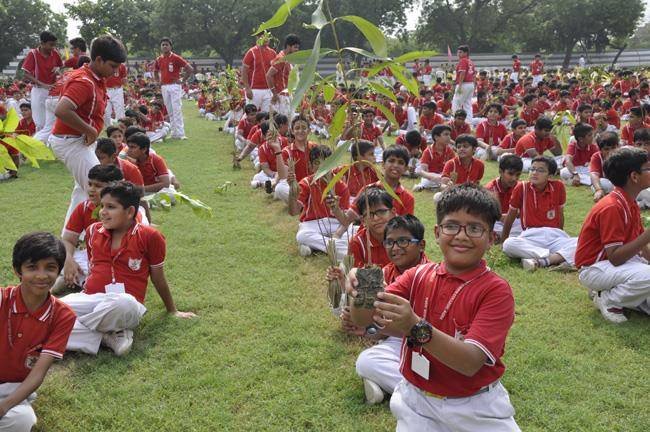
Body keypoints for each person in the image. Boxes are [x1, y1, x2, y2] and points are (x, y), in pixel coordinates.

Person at [348, 184, 520, 431]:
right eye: (452, 226)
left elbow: (470, 362)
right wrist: (362, 285)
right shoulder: (417, 275)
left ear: (491, 238)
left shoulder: (495, 290)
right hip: (417, 400)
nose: (461, 236)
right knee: (367, 361)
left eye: (474, 228)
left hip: (475, 406)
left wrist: (413, 326)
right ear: (438, 233)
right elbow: (364, 319)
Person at [61, 181, 196, 356]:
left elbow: (158, 277)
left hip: (125, 305)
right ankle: (106, 336)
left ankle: (73, 327)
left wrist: (172, 310)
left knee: (124, 303)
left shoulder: (150, 236)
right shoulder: (93, 231)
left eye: (111, 207)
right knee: (49, 309)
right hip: (90, 299)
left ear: (130, 212)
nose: (102, 212)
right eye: (102, 206)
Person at [0, 233, 76, 432]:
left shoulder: (63, 316)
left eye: (50, 268)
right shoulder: (2, 299)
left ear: (59, 270)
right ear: (18, 270)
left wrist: (3, 407)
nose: (41, 276)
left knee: (22, 420)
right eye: (32, 267)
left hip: (15, 390)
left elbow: (38, 373)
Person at [48, 35, 128, 225]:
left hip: (76, 141)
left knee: (82, 191)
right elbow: (62, 110)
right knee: (103, 191)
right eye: (113, 66)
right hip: (72, 143)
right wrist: (90, 131)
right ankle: (101, 236)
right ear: (99, 60)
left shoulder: (94, 77)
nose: (115, 71)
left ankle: (70, 236)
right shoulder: (85, 81)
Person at [353, 215, 429, 404]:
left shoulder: (431, 275)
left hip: (426, 340)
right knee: (365, 361)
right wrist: (361, 322)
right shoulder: (385, 273)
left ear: (421, 245)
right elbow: (373, 326)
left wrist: (372, 327)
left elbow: (422, 330)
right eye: (389, 242)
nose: (395, 248)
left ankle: (400, 390)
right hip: (396, 340)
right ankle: (420, 394)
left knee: (431, 368)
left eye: (403, 241)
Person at [575, 147, 650, 323]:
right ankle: (609, 300)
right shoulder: (612, 207)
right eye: (647, 168)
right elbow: (615, 257)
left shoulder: (628, 201)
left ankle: (609, 292)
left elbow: (641, 245)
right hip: (595, 268)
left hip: (617, 266)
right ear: (634, 176)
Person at [56, 164, 125, 293]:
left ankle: (80, 282)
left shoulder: (125, 211)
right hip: (92, 257)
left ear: (114, 188)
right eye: (90, 184)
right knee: (60, 256)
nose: (91, 190)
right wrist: (68, 261)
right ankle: (77, 279)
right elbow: (68, 240)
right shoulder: (84, 207)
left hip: (118, 260)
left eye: (98, 186)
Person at [502, 156, 577, 271]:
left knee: (582, 242)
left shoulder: (558, 187)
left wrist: (560, 234)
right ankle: (556, 258)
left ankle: (543, 260)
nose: (534, 173)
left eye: (540, 170)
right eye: (532, 169)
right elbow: (510, 216)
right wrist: (503, 240)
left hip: (555, 235)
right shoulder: (522, 187)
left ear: (550, 176)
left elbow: (560, 214)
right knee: (509, 244)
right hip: (531, 236)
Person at [287, 145, 351, 259]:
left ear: (333, 164)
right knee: (302, 235)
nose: (322, 167)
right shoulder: (307, 183)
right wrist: (292, 191)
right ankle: (336, 247)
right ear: (311, 166)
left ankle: (316, 246)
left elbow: (345, 221)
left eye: (326, 162)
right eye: (317, 163)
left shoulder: (341, 186)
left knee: (354, 231)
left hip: (335, 223)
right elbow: (293, 212)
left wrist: (336, 209)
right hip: (312, 224)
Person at [21, 31, 63, 131]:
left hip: (53, 91)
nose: (53, 47)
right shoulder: (33, 54)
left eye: (54, 45)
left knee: (53, 122)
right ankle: (40, 139)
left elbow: (61, 66)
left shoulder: (55, 53)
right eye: (51, 45)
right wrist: (43, 84)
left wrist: (58, 69)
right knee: (40, 123)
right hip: (39, 90)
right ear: (42, 43)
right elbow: (26, 74)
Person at [154, 37, 193, 140]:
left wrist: (182, 80)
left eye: (167, 44)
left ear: (170, 46)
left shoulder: (176, 58)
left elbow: (190, 69)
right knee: (170, 110)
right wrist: (157, 81)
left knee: (177, 109)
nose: (165, 46)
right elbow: (155, 71)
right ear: (160, 47)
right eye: (163, 45)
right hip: (164, 86)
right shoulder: (159, 59)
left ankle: (181, 133)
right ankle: (174, 133)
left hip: (174, 86)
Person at [347, 188, 395, 268]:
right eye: (369, 214)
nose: (376, 218)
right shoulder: (358, 243)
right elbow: (355, 273)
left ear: (393, 213)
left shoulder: (403, 238)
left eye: (381, 212)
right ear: (363, 221)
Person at [274, 116, 316, 203]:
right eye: (297, 128)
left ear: (309, 130)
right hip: (298, 189)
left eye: (304, 128)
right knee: (280, 188)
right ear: (292, 131)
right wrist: (277, 149)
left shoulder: (315, 148)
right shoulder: (287, 151)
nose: (300, 131)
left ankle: (305, 203)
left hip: (315, 187)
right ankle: (303, 203)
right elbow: (283, 176)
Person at [486, 154, 523, 239]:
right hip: (497, 222)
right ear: (500, 171)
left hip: (514, 221)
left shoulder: (521, 187)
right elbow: (494, 216)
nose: (514, 178)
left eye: (518, 175)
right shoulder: (491, 188)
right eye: (510, 174)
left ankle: (502, 236)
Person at [266, 34, 300, 117]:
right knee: (284, 121)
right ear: (288, 46)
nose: (297, 50)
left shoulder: (287, 59)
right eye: (295, 47)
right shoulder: (281, 59)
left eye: (298, 48)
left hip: (287, 95)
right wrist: (274, 94)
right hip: (281, 96)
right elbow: (268, 75)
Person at [414, 124, 455, 191]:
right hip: (431, 177)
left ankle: (425, 187)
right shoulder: (428, 151)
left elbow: (453, 169)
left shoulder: (450, 151)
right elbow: (422, 171)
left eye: (449, 135)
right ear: (436, 137)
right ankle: (429, 186)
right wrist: (432, 176)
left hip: (444, 177)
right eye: (446, 134)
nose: (449, 137)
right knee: (427, 181)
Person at [242, 35, 277, 112]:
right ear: (258, 38)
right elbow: (244, 71)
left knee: (267, 115)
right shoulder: (251, 52)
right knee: (251, 115)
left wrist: (274, 91)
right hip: (254, 90)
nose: (266, 39)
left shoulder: (273, 53)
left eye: (268, 37)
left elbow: (275, 73)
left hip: (268, 90)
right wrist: (247, 88)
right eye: (263, 37)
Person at [590, 131, 618, 202]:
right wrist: (598, 190)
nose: (611, 151)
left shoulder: (622, 155)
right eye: (606, 149)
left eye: (613, 148)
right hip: (608, 183)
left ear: (618, 146)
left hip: (621, 185)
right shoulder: (596, 157)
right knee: (598, 184)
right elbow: (594, 174)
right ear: (600, 150)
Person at [451, 46, 476, 120]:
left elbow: (462, 73)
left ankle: (456, 120)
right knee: (467, 105)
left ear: (466, 53)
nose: (458, 54)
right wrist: (474, 86)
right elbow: (474, 74)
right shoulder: (470, 61)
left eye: (460, 52)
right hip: (470, 84)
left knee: (456, 103)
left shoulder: (463, 60)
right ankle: (469, 122)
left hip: (463, 84)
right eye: (458, 52)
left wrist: (459, 86)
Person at [104, 63, 128, 127]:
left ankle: (122, 128)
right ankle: (109, 129)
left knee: (120, 111)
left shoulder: (121, 65)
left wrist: (127, 89)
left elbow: (124, 79)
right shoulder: (104, 64)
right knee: (106, 113)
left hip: (117, 90)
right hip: (105, 90)